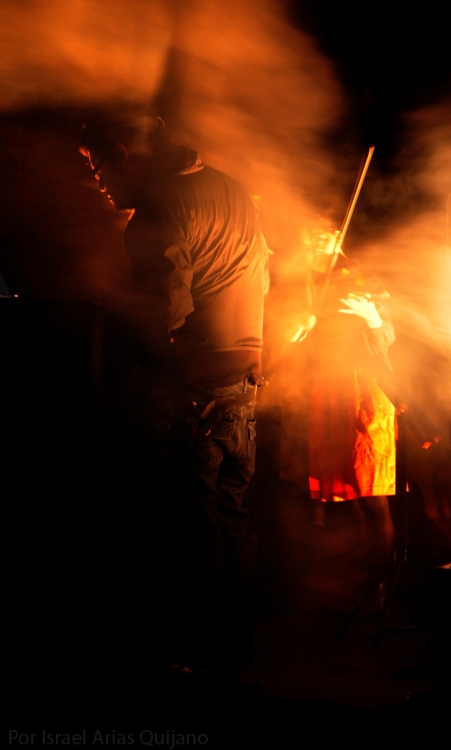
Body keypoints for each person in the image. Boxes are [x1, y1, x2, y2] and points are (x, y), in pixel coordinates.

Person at [80, 101, 269, 687]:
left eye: (98, 168)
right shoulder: (232, 188)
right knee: (230, 515)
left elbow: (167, 307)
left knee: (193, 522)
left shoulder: (159, 206)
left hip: (194, 381)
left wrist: (119, 321)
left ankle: (199, 652)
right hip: (244, 374)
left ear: (125, 154)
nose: (99, 183)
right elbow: (264, 271)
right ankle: (235, 648)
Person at [305, 226, 395, 577]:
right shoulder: (302, 279)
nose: (312, 239)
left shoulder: (358, 275)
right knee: (344, 496)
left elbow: (388, 333)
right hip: (327, 391)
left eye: (321, 233)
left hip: (362, 392)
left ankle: (379, 584)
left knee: (372, 494)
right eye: (307, 233)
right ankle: (356, 579)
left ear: (339, 235)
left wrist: (373, 318)